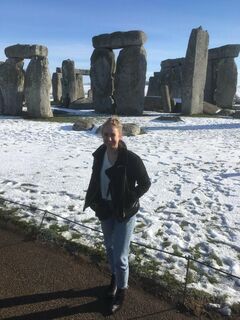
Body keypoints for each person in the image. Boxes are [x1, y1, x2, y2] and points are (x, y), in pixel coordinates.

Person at [83, 117, 151, 314]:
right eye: (105, 134)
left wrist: (131, 198)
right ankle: (114, 279)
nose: (108, 138)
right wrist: (95, 200)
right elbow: (95, 178)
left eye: (112, 135)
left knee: (121, 256)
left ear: (120, 135)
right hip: (105, 208)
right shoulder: (100, 154)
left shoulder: (131, 159)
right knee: (110, 248)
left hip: (124, 212)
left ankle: (122, 290)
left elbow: (145, 183)